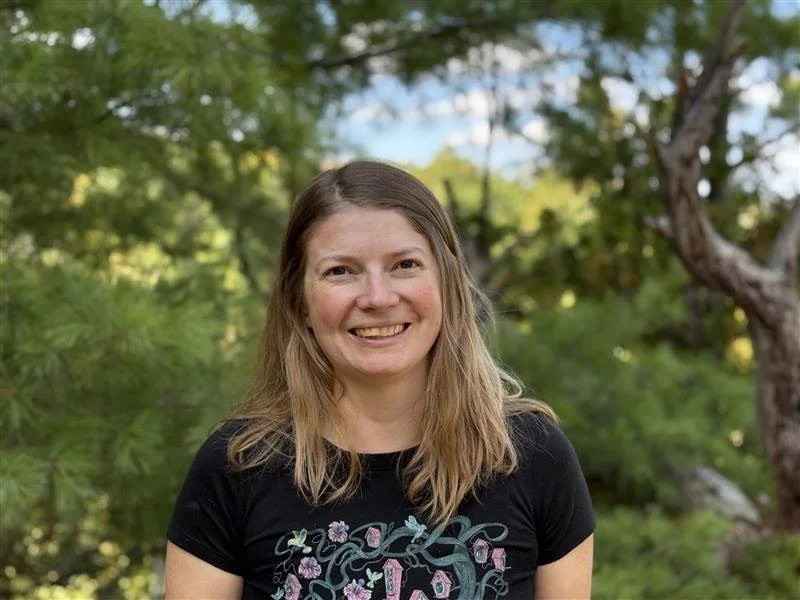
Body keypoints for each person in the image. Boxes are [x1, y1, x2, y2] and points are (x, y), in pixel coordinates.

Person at [164, 160, 594, 600]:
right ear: (300, 301)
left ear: (447, 283)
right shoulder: (237, 467)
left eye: (404, 264)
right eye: (340, 271)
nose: (377, 298)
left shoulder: (533, 457)